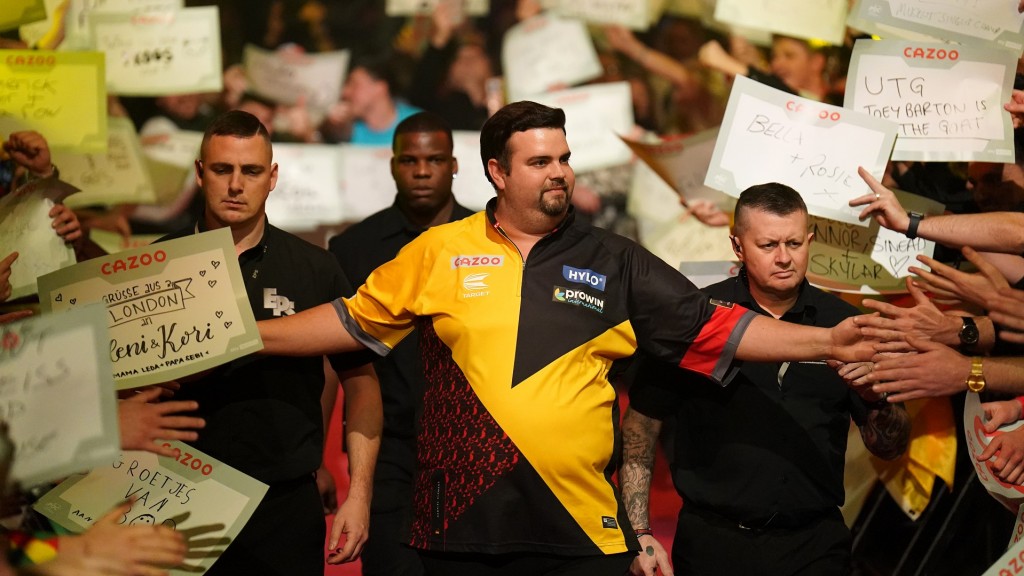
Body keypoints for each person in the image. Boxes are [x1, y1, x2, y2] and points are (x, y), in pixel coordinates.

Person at [256, 101, 877, 576]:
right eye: (540, 162)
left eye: (564, 158)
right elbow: (346, 320)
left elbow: (723, 328)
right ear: (497, 172)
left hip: (582, 532)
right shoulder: (438, 252)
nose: (560, 172)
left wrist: (829, 341)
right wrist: (241, 335)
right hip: (461, 528)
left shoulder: (617, 259)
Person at [620, 183, 910, 576]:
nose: (784, 258)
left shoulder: (847, 325)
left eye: (794, 243)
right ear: (737, 247)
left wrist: (875, 398)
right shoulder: (696, 318)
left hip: (815, 545)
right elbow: (641, 425)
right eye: (768, 245)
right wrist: (638, 529)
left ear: (810, 241)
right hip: (712, 545)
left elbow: (890, 447)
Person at [157, 110, 381, 574]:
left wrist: (359, 495)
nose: (236, 185)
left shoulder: (315, 268)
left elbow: (362, 386)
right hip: (173, 498)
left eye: (251, 171)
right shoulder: (156, 264)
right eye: (222, 169)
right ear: (200, 173)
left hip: (282, 506)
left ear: (273, 176)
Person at [327, 111, 473, 576]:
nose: (423, 170)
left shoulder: (494, 239)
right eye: (410, 160)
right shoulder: (354, 248)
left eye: (435, 159)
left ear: (454, 165)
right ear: (392, 165)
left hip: (476, 449)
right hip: (388, 449)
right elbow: (333, 361)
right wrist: (318, 459)